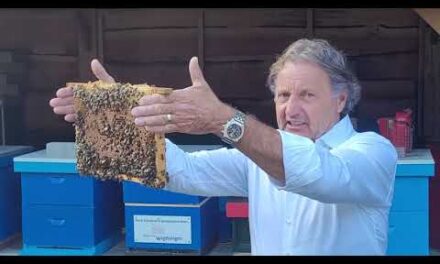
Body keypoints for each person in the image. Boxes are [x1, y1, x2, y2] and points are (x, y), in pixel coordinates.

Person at [49, 38, 397, 255]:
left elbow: (318, 173)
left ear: (341, 100)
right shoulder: (255, 160)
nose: (291, 109)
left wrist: (223, 121)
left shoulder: (373, 153)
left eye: (307, 95)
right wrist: (119, 119)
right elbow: (183, 171)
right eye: (283, 95)